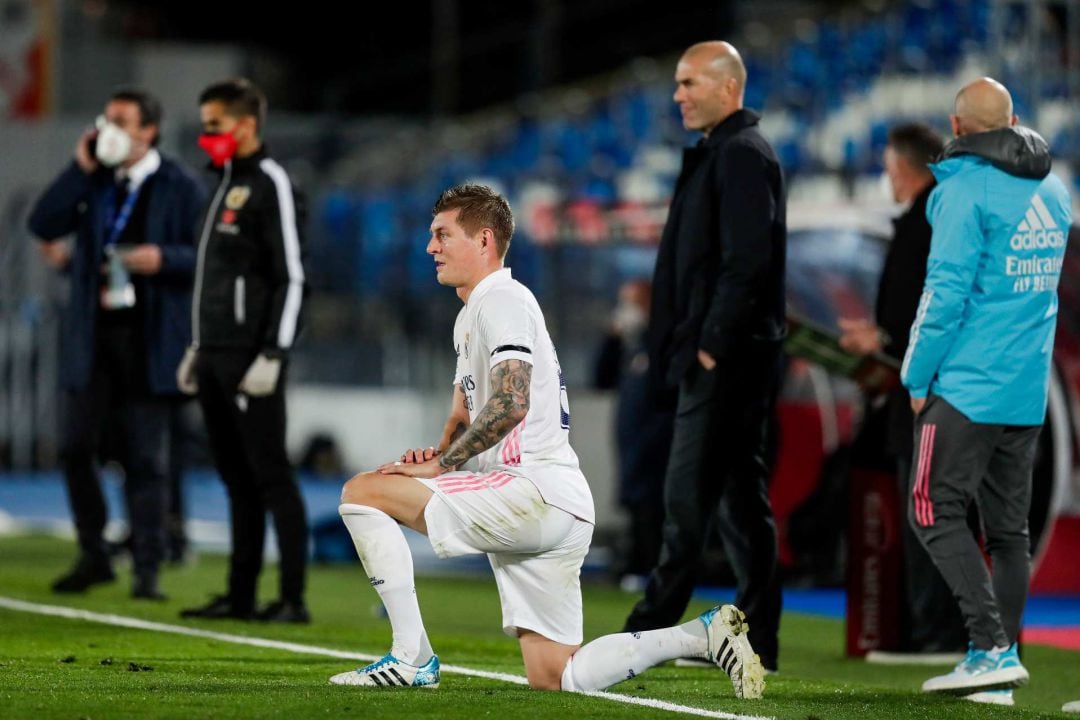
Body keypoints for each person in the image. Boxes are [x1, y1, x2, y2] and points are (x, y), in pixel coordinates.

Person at [326, 184, 764, 698]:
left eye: (443, 235)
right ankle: (699, 635)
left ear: (484, 240)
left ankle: (411, 656)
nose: (431, 248)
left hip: (528, 490)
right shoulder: (473, 314)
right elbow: (464, 413)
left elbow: (512, 402)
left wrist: (443, 462)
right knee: (556, 676)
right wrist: (439, 454)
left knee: (362, 492)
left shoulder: (502, 301)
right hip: (555, 500)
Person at [902, 78, 1072, 699]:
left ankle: (991, 649)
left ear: (955, 125)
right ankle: (997, 671)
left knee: (931, 508)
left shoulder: (962, 190)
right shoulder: (1054, 191)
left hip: (968, 386)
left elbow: (942, 295)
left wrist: (915, 377)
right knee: (1008, 534)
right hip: (1027, 391)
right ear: (1014, 120)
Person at [622, 40, 786, 673]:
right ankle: (757, 641)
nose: (678, 95)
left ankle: (646, 632)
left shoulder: (742, 154)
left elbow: (747, 262)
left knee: (687, 499)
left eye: (689, 82)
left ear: (728, 87)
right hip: (725, 357)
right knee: (739, 502)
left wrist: (711, 345)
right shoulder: (724, 153)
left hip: (728, 360)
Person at [27, 88, 207, 600]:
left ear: (148, 130)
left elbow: (206, 255)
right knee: (73, 446)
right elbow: (42, 223)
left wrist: (164, 258)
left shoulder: (180, 184)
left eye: (121, 120)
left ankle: (147, 567)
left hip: (149, 340)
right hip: (92, 337)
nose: (109, 127)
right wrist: (79, 167)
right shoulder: (96, 180)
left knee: (145, 458)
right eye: (106, 119)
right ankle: (93, 552)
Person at [176, 78, 310, 623]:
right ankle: (240, 593)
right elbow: (213, 278)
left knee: (272, 474)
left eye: (215, 125)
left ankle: (292, 599)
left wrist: (273, 354)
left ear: (246, 125)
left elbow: (293, 278)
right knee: (235, 477)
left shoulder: (271, 182)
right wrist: (196, 346)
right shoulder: (223, 183)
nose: (206, 135)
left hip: (253, 358)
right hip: (213, 352)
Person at [839, 123, 969, 655]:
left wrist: (884, 336)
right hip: (935, 390)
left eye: (889, 166)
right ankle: (942, 629)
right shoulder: (939, 218)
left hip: (923, 393)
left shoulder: (927, 222)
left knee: (928, 512)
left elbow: (928, 307)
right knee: (939, 511)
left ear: (904, 166)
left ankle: (936, 633)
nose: (885, 177)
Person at [593, 279, 674, 590]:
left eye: (632, 302)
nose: (625, 310)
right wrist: (611, 339)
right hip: (630, 437)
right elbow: (600, 378)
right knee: (633, 501)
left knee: (652, 503)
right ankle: (636, 562)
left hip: (656, 439)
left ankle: (651, 567)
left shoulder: (661, 343)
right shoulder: (630, 346)